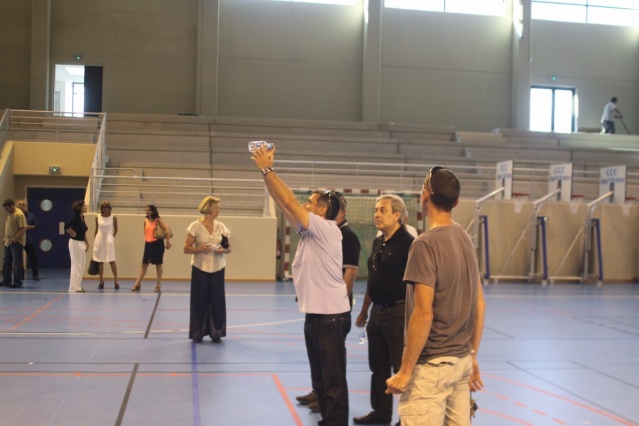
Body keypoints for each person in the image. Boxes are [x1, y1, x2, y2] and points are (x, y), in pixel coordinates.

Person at [252, 144, 351, 426]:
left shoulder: (326, 228)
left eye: (309, 202)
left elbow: (289, 199)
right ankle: (327, 420)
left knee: (333, 382)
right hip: (316, 315)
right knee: (321, 380)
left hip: (331, 316)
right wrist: (265, 176)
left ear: (323, 209)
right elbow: (283, 201)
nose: (304, 205)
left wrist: (268, 169)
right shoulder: (309, 230)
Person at [385, 167, 486, 426]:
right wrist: (472, 355)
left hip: (431, 369)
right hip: (461, 363)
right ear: (457, 202)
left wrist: (405, 371)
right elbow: (479, 305)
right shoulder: (465, 238)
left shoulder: (424, 244)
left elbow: (423, 314)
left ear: (425, 196)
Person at [297, 193, 361, 413]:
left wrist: (339, 299)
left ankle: (326, 398)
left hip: (333, 308)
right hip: (317, 306)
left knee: (330, 363)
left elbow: (350, 271)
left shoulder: (346, 236)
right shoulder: (317, 231)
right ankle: (319, 393)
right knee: (318, 358)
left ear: (339, 213)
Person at [354, 194, 414, 426]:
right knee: (378, 368)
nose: (377, 214)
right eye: (375, 210)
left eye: (382, 210)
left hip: (398, 314)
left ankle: (407, 418)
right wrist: (364, 311)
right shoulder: (379, 242)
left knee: (401, 369)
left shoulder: (409, 244)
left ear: (397, 215)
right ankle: (381, 414)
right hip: (377, 315)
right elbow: (374, 279)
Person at [183, 196, 231, 343]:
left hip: (218, 268)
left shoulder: (221, 227)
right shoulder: (195, 226)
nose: (219, 210)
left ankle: (216, 332)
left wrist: (223, 250)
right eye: (217, 208)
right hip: (200, 268)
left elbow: (228, 248)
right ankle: (197, 333)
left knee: (217, 301)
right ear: (210, 209)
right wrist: (200, 249)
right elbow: (186, 249)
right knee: (199, 300)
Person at [131, 205, 172, 292]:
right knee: (144, 264)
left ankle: (158, 284)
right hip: (148, 244)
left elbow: (167, 230)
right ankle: (137, 284)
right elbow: (145, 232)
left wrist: (168, 242)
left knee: (158, 264)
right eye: (146, 210)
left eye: (148, 210)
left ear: (153, 211)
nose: (147, 212)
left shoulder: (158, 220)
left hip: (157, 244)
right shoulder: (145, 221)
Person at [1, 199, 27, 288]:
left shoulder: (19, 214)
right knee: (6, 261)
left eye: (7, 208)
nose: (6, 210)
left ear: (12, 205)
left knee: (17, 262)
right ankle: (6, 280)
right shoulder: (10, 214)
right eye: (5, 209)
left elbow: (23, 228)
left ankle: (17, 282)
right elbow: (10, 227)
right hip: (8, 241)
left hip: (16, 242)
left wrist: (16, 238)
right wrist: (5, 238)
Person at [93, 201, 119, 289]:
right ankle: (101, 281)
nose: (106, 209)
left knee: (112, 260)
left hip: (109, 239)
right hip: (99, 239)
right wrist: (95, 241)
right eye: (104, 207)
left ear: (110, 208)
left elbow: (116, 229)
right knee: (100, 261)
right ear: (101, 209)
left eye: (107, 207)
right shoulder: (97, 217)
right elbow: (96, 229)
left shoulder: (113, 218)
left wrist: (112, 237)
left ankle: (116, 280)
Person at [64, 200, 89, 293]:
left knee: (81, 265)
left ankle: (78, 285)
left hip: (81, 243)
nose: (86, 207)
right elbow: (66, 226)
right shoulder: (75, 218)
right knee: (76, 265)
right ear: (80, 208)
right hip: (75, 243)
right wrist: (72, 232)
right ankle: (73, 287)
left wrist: (87, 242)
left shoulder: (82, 217)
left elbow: (83, 231)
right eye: (84, 206)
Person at [16, 200, 39, 281]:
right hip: (18, 240)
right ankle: (20, 275)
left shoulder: (31, 215)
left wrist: (30, 227)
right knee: (18, 259)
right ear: (17, 206)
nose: (21, 206)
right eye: (19, 204)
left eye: (23, 204)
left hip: (28, 240)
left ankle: (35, 275)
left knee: (33, 257)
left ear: (25, 206)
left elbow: (36, 225)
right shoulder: (15, 215)